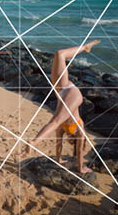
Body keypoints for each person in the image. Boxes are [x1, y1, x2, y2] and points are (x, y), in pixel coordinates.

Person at [23, 40, 100, 174]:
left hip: (62, 91)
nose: (69, 142)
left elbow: (58, 145)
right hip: (73, 95)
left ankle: (34, 142)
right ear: (73, 142)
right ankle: (85, 47)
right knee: (56, 120)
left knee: (59, 54)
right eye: (71, 143)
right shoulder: (79, 131)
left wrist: (59, 160)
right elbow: (80, 153)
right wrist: (81, 168)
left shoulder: (64, 130)